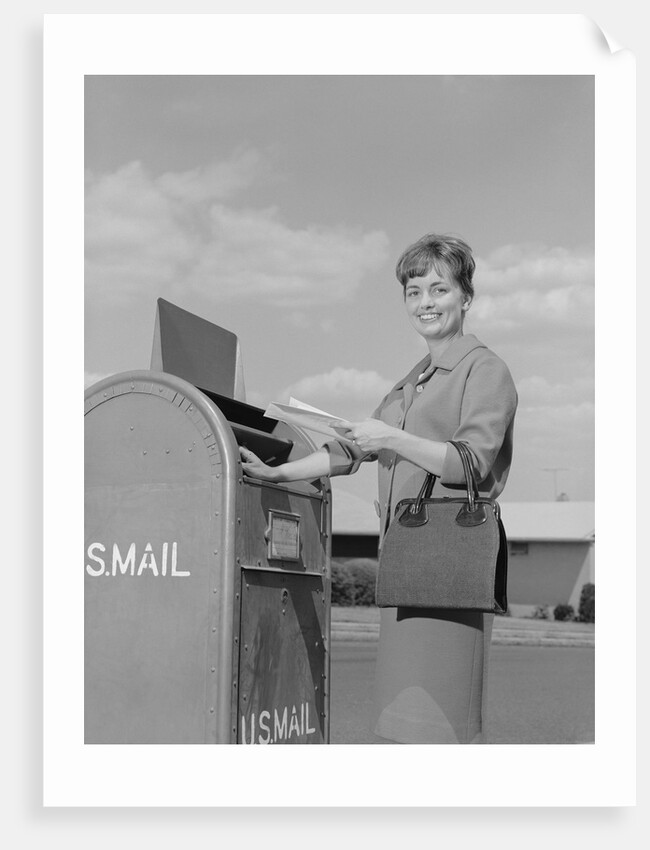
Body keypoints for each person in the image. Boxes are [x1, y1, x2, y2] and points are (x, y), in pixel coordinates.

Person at [240, 232, 518, 744]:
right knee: (401, 730)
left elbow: (471, 462)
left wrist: (392, 436)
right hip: (405, 563)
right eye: (414, 291)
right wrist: (277, 473)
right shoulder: (412, 381)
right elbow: (351, 451)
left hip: (447, 565)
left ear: (466, 296)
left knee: (442, 730)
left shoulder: (484, 369)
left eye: (439, 289)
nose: (425, 302)